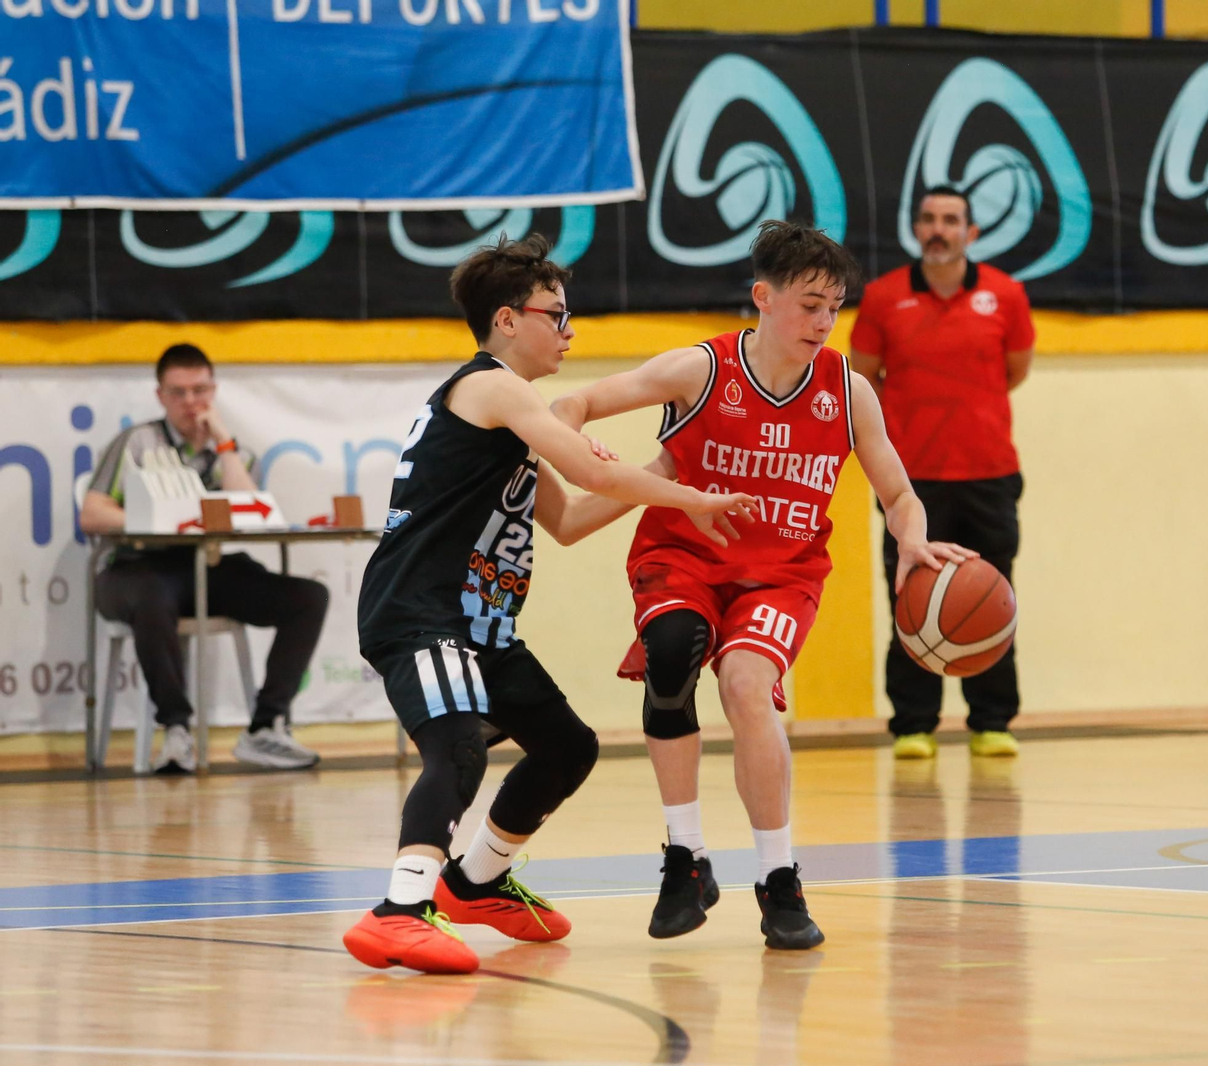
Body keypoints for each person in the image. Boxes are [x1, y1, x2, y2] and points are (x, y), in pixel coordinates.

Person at [551, 220, 974, 950]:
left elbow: (900, 495)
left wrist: (911, 539)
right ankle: (685, 857)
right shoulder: (699, 370)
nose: (823, 321)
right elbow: (572, 406)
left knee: (746, 684)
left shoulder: (849, 390)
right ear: (763, 299)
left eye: (834, 305)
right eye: (809, 304)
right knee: (673, 650)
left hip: (782, 574)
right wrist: (587, 452)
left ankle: (780, 880)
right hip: (684, 553)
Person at [343, 235, 757, 975]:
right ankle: (400, 910)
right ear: (507, 320)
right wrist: (688, 496)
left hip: (480, 625)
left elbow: (566, 520)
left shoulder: (507, 415)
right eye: (556, 314)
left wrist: (669, 465)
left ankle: (475, 880)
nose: (570, 331)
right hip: (422, 612)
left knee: (569, 746)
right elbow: (592, 472)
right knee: (459, 745)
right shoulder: (494, 386)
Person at [849, 186, 1036, 760]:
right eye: (928, 219)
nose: (939, 229)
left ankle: (992, 722)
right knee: (910, 596)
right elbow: (863, 381)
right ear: (916, 228)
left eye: (951, 220)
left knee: (991, 595)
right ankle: (912, 725)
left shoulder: (1006, 294)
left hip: (988, 474)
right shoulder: (882, 299)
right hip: (912, 483)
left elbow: (1014, 371)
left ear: (971, 232)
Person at [81, 344, 329, 773]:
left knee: (307, 596)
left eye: (199, 390)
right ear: (160, 395)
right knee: (153, 593)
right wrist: (159, 518)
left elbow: (248, 512)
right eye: (178, 392)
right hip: (136, 568)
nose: (190, 402)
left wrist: (224, 444)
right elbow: (92, 512)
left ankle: (265, 728)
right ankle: (176, 730)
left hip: (206, 566)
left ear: (213, 390)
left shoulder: (233, 451)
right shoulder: (137, 441)